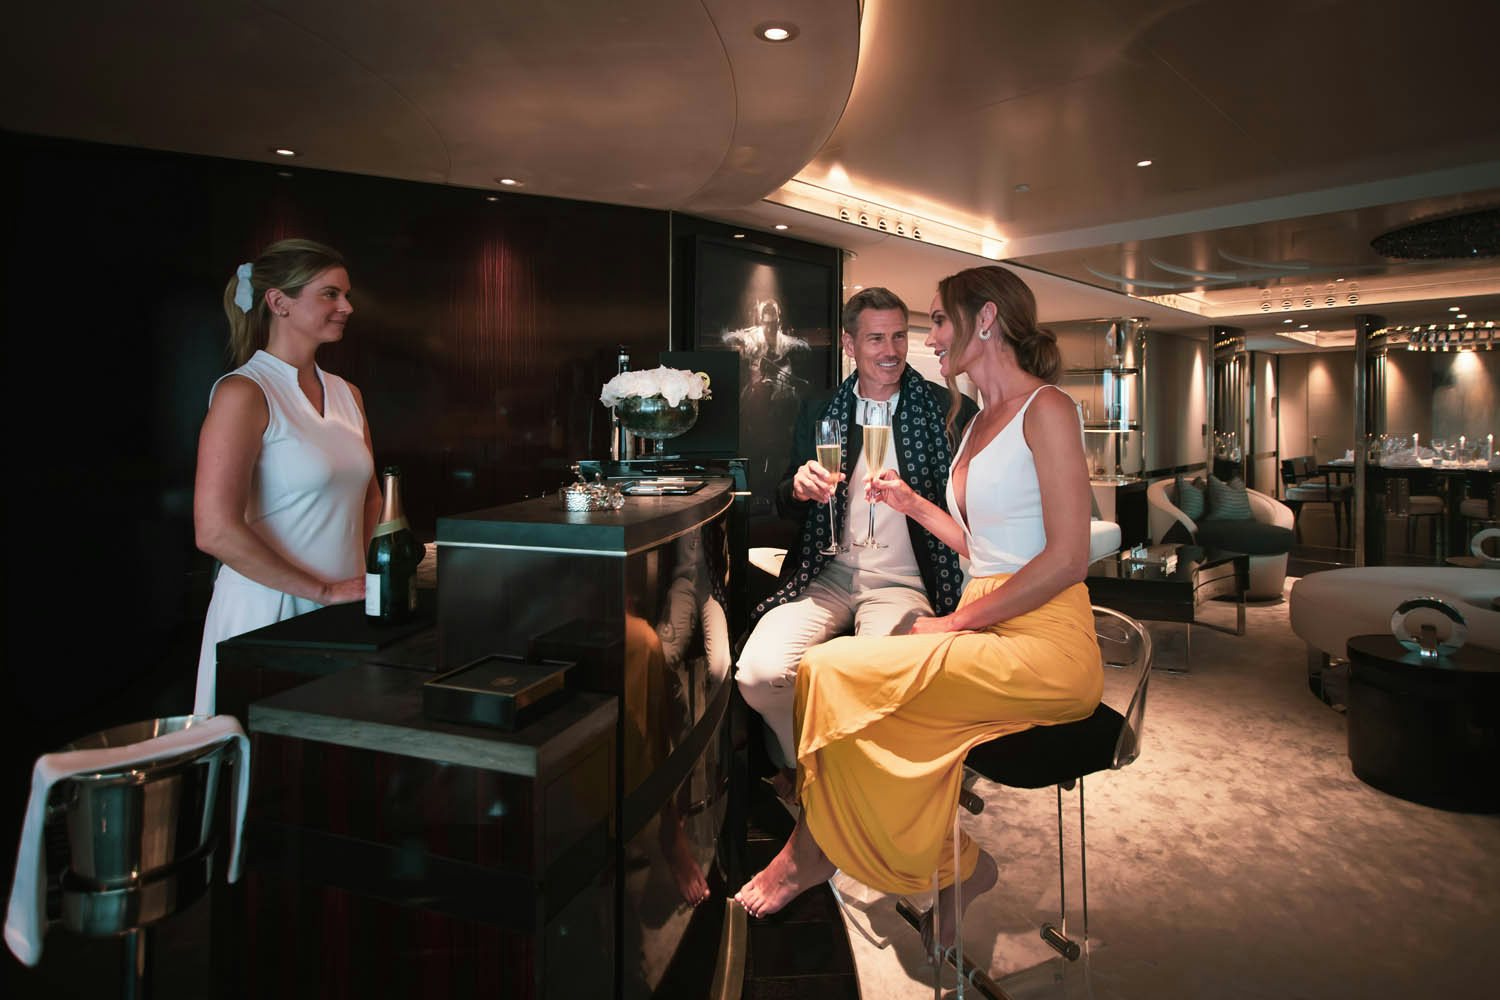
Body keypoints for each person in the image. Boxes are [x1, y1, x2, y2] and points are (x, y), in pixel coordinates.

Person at [734, 266, 1102, 957]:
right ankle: (953, 867)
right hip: (968, 607)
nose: (921, 342)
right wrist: (910, 504)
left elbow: (1069, 560)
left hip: (1043, 638)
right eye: (898, 332)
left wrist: (954, 623)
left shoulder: (1044, 408)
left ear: (984, 320)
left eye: (933, 323)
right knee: (827, 682)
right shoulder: (975, 419)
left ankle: (808, 854)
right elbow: (982, 546)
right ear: (851, 344)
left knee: (838, 679)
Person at [736, 287, 979, 799]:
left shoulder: (947, 409)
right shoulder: (820, 408)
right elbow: (785, 495)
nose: (890, 350)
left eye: (898, 336)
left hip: (906, 581)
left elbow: (973, 514)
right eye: (875, 338)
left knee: (873, 689)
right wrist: (799, 486)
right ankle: (814, 775)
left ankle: (857, 803)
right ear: (849, 343)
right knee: (759, 675)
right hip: (826, 574)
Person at [192, 239, 381, 715]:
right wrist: (321, 590)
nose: (347, 307)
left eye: (346, 295)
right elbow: (214, 530)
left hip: (342, 610)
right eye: (330, 294)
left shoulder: (347, 394)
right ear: (279, 302)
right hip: (267, 612)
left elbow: (371, 498)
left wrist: (359, 584)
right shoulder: (245, 392)